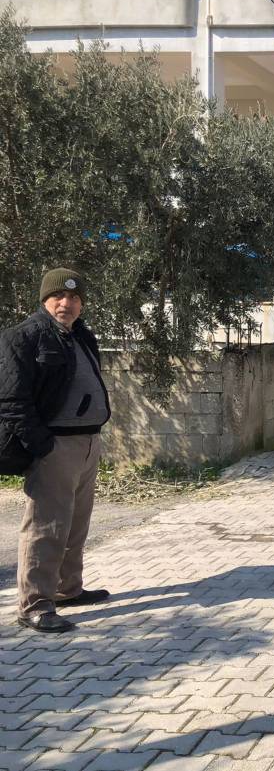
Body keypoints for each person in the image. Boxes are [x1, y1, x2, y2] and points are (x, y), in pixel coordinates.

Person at [0, 269, 111, 633]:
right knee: (47, 526)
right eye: (59, 297)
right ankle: (34, 603)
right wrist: (42, 446)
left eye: (75, 298)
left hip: (87, 442)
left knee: (76, 523)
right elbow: (12, 401)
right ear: (45, 300)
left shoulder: (81, 336)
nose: (67, 304)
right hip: (55, 446)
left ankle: (67, 589)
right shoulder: (24, 337)